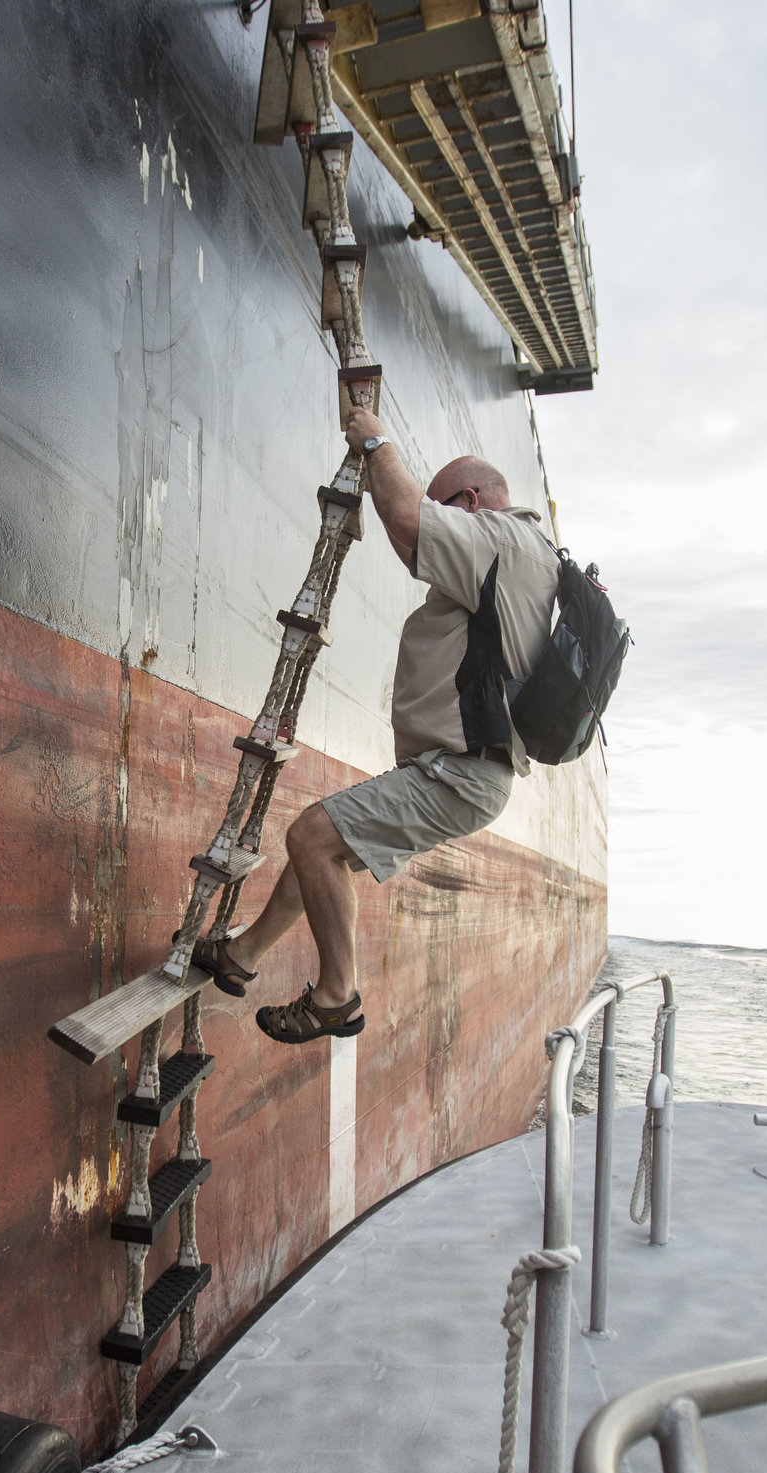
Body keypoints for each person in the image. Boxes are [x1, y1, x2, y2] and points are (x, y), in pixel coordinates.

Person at [194, 406, 562, 1043]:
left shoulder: (502, 539)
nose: (439, 518)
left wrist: (374, 440)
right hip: (457, 770)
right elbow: (413, 541)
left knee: (314, 838)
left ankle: (338, 997)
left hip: (460, 772)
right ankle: (241, 956)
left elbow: (409, 521)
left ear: (469, 503)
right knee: (327, 849)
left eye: (446, 507)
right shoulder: (524, 557)